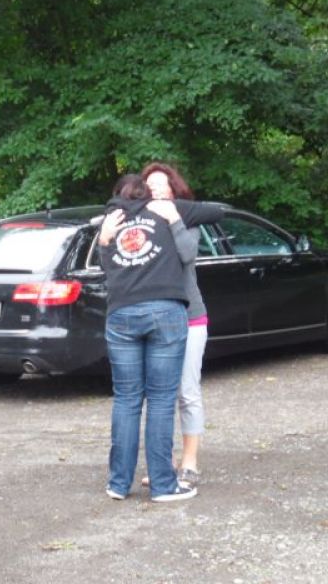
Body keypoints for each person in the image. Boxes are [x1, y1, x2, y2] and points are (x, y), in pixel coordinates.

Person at [98, 173, 222, 502]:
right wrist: (171, 212)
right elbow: (218, 212)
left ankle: (118, 483)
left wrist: (104, 240)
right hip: (165, 311)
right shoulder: (160, 211)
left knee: (126, 399)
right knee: (162, 399)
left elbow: (107, 268)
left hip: (122, 313)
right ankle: (164, 485)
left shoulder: (112, 217)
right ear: (143, 192)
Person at [141, 162, 206, 491]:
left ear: (173, 189)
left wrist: (173, 219)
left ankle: (189, 462)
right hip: (155, 317)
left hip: (190, 316)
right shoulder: (140, 223)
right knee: (159, 394)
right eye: (149, 185)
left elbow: (188, 254)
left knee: (187, 392)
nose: (154, 189)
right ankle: (162, 465)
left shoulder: (187, 219)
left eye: (160, 184)